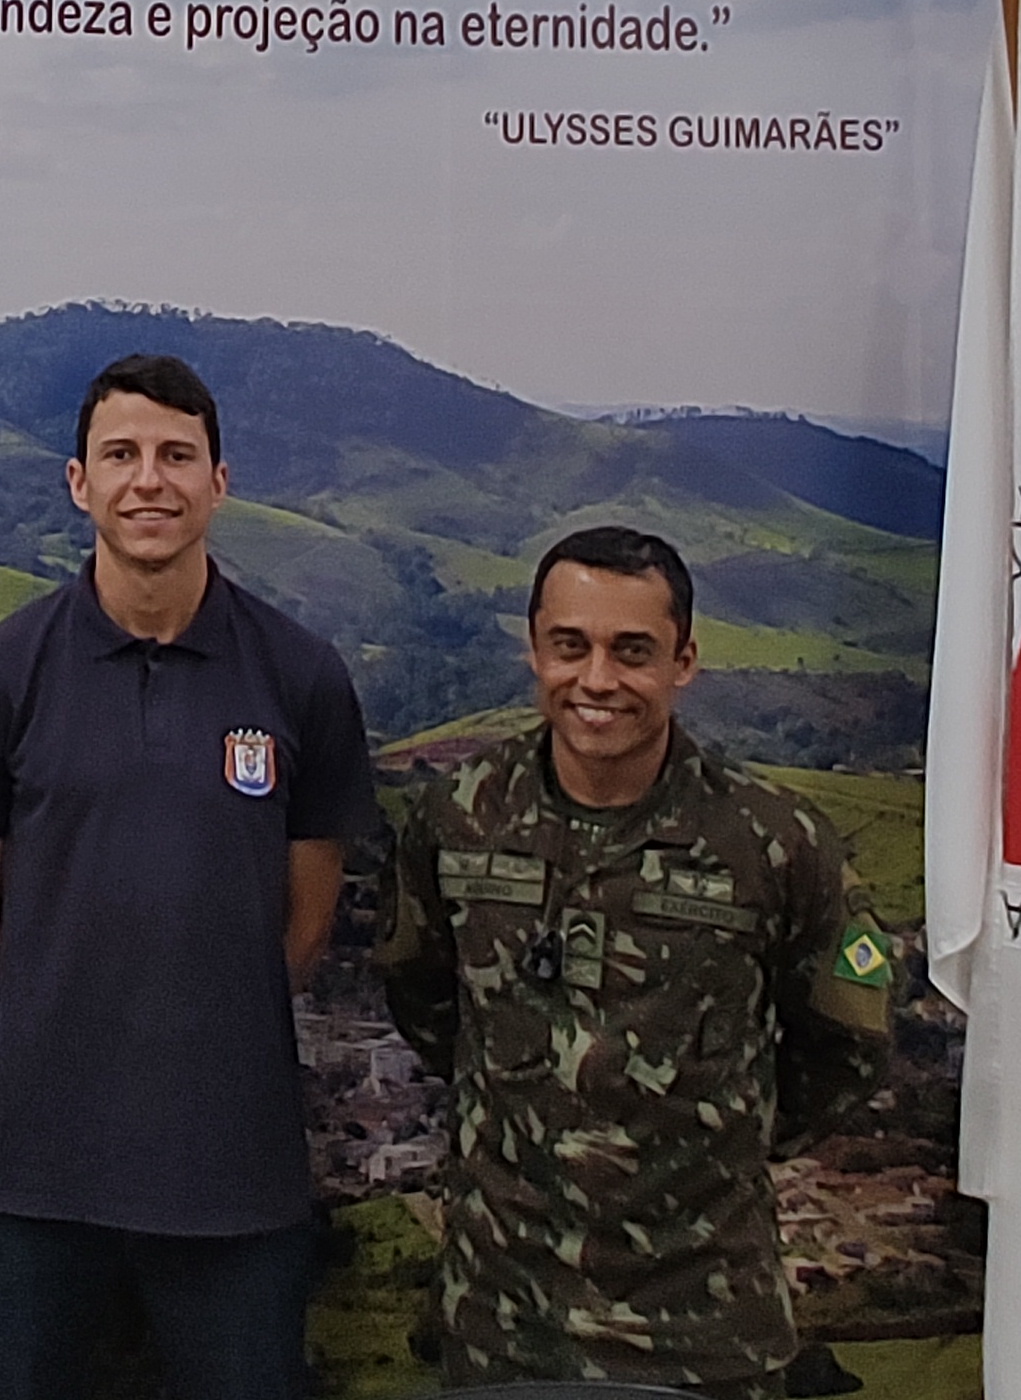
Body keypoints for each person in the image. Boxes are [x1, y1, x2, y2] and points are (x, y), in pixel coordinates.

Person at [0, 351, 375, 1400]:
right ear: (77, 482)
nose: (149, 480)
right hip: (29, 1176)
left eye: (177, 456)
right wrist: (65, 1017)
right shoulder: (4, 670)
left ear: (219, 481)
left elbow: (303, 922)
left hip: (233, 1177)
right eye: (120, 455)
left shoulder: (300, 675)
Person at [374, 524, 896, 1398]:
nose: (597, 681)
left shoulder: (771, 842)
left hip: (703, 1330)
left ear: (684, 662)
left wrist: (702, 1144)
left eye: (633, 651)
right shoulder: (458, 818)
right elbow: (424, 1001)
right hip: (505, 1322)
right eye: (569, 647)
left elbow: (845, 1045)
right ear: (535, 649)